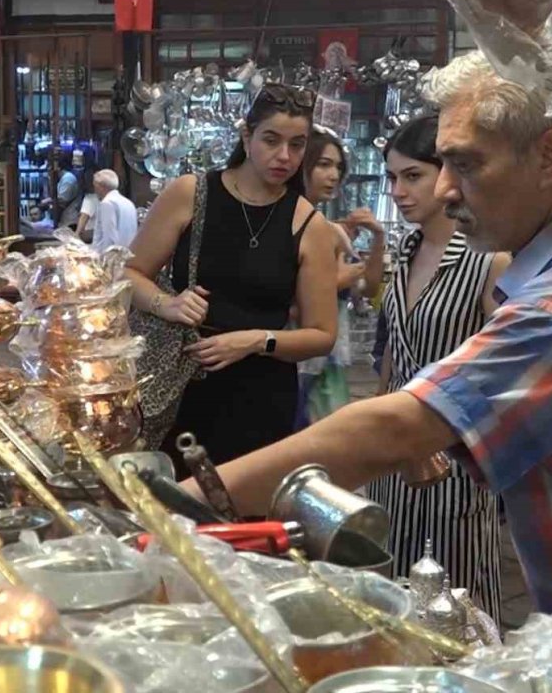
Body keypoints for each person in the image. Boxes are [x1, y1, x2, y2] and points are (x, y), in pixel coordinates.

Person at [196, 41, 552, 692]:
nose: (445, 189)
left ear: (550, 155)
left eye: (466, 164)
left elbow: (395, 428)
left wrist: (184, 501)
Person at [125, 82, 338, 468]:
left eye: (297, 145)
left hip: (261, 397)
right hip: (181, 387)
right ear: (246, 136)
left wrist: (256, 340)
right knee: (173, 497)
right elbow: (130, 272)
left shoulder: (309, 224)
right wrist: (166, 304)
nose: (284, 156)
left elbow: (322, 335)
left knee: (248, 501)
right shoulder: (191, 193)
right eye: (271, 140)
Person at [360, 115, 511, 621]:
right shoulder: (405, 251)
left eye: (413, 176)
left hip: (457, 460)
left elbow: (505, 370)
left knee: (456, 601)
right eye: (392, 177)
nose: (398, 191)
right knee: (392, 592)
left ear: (448, 175)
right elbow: (393, 354)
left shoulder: (488, 260)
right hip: (393, 452)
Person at [294, 128, 385, 428]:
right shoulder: (286, 226)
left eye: (338, 167)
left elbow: (367, 288)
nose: (333, 175)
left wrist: (378, 238)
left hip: (327, 361)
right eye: (323, 164)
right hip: (291, 358)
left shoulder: (331, 230)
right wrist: (335, 282)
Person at [85, 170, 139, 252]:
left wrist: (105, 257)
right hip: (128, 252)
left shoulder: (107, 203)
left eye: (95, 186)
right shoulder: (129, 203)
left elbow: (109, 237)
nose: (95, 191)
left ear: (101, 187)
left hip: (112, 256)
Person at [47, 150, 83, 230]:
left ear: (58, 168)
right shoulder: (60, 179)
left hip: (70, 221)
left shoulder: (68, 179)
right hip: (64, 221)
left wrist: (47, 202)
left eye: (50, 167)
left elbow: (61, 201)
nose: (48, 170)